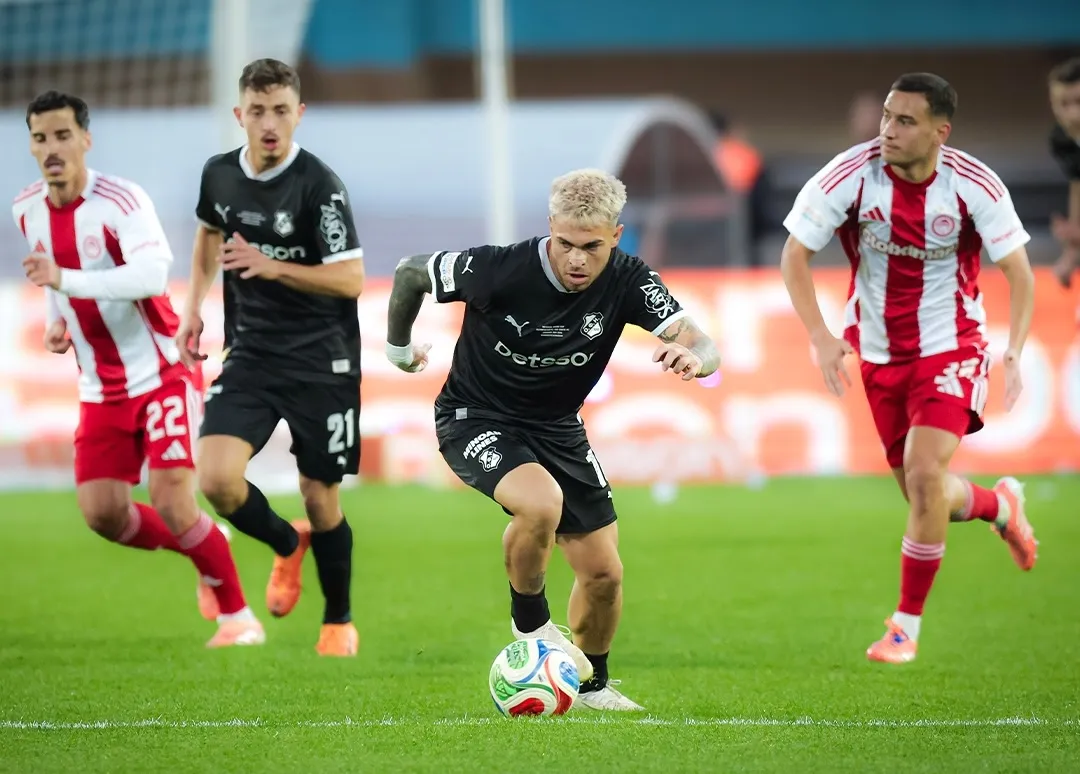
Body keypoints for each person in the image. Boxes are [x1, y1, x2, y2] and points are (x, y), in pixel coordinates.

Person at [385, 168, 721, 710]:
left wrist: (694, 356)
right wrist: (398, 348)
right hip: (475, 417)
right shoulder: (499, 268)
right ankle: (532, 632)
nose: (576, 259)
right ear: (550, 228)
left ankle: (591, 687)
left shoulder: (630, 280)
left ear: (615, 235)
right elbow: (409, 273)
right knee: (541, 504)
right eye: (564, 243)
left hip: (558, 427)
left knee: (605, 576)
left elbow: (702, 343)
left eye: (591, 246)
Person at [779, 73, 1038, 664]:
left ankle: (904, 628)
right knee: (926, 495)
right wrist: (820, 336)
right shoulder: (851, 174)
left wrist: (1015, 350)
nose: (887, 131)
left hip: (952, 345)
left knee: (924, 477)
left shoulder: (975, 186)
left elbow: (1020, 273)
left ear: (940, 132)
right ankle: (1000, 505)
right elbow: (795, 252)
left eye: (905, 121)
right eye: (886, 117)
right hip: (877, 353)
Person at [16, 90, 264, 648]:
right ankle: (207, 542)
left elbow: (151, 276)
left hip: (161, 372)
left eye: (62, 135)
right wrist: (59, 317)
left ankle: (238, 619)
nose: (52, 148)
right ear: (30, 146)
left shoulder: (121, 202)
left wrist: (65, 284)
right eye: (40, 138)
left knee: (175, 501)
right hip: (99, 387)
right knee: (104, 515)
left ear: (85, 139)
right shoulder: (26, 209)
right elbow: (52, 279)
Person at [177, 59, 365, 657]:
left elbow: (353, 278)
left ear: (298, 114)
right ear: (240, 115)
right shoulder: (218, 175)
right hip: (251, 354)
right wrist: (193, 306)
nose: (269, 123)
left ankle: (338, 621)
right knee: (216, 479)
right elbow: (209, 232)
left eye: (281, 110)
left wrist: (272, 265)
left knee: (321, 495)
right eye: (257, 111)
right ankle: (287, 544)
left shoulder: (320, 185)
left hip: (322, 361)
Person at [1047, 58, 1080, 289]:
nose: (1073, 114)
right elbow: (1078, 182)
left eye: (1079, 102)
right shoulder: (1062, 140)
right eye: (1063, 104)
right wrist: (1071, 253)